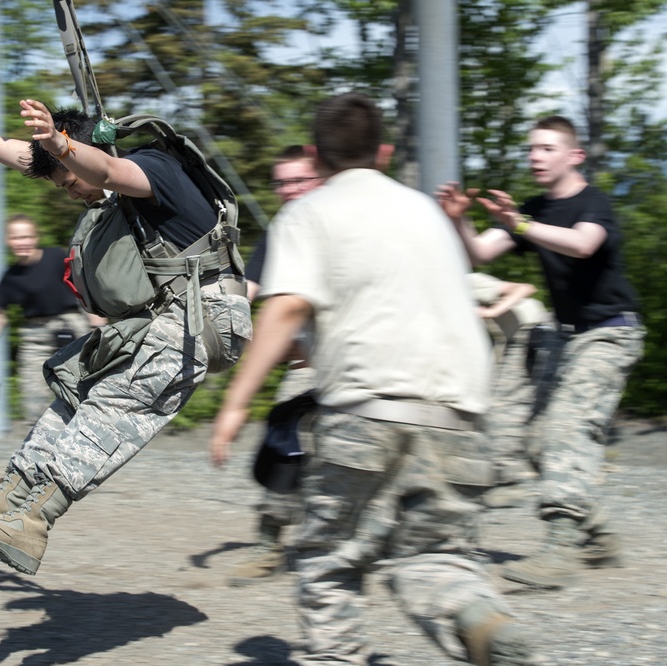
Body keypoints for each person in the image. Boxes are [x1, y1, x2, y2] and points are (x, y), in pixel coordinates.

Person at [212, 93, 540, 666]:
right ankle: (478, 617)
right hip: (462, 412)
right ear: (383, 152)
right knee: (435, 554)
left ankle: (336, 658)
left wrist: (236, 404)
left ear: (314, 157)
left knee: (328, 556)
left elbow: (285, 309)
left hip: (367, 410)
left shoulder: (308, 214)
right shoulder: (426, 213)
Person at [0, 99, 250, 576]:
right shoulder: (100, 181)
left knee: (115, 402)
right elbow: (35, 159)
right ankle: (8, 500)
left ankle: (32, 519)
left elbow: (107, 170)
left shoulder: (152, 168)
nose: (71, 193)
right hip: (163, 317)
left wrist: (61, 144)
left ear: (80, 148)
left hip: (205, 317)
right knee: (76, 387)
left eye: (71, 181)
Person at [436, 115, 645, 590]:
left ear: (575, 156)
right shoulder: (532, 209)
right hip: (566, 336)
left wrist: (523, 224)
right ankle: (599, 535)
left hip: (610, 334)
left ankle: (559, 550)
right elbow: (480, 254)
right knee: (536, 441)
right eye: (531, 149)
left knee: (568, 430)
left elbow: (583, 244)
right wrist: (458, 219)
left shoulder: (593, 203)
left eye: (547, 148)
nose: (535, 156)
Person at [228, 146, 323, 586]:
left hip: (365, 368)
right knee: (283, 448)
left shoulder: (344, 223)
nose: (289, 190)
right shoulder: (281, 232)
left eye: (298, 180)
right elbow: (248, 289)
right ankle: (269, 545)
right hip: (307, 369)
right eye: (281, 182)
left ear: (320, 179)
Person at [0, 214, 94, 422]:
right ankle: (45, 445)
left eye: (27, 237)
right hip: (35, 338)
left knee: (83, 394)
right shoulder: (10, 277)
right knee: (33, 400)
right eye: (16, 238)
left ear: (35, 237)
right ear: (8, 240)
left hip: (72, 328)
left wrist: (97, 318)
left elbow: (85, 284)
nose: (22, 242)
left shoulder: (56, 257)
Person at [468, 273, 550, 508]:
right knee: (512, 405)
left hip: (532, 333)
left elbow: (525, 287)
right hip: (518, 337)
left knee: (503, 407)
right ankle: (526, 471)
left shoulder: (464, 280)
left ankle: (515, 481)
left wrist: (491, 312)